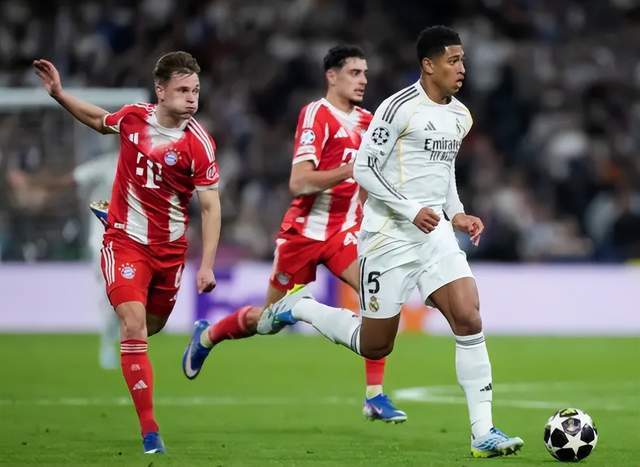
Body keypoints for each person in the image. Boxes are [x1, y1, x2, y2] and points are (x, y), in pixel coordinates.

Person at [257, 26, 524, 458]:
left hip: (434, 234)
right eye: (453, 60)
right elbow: (364, 169)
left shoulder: (461, 116)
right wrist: (410, 209)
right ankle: (300, 307)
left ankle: (483, 433)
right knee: (376, 344)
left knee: (469, 317)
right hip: (388, 237)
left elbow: (443, 172)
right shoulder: (397, 108)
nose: (462, 68)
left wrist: (456, 212)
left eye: (462, 60)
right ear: (429, 65)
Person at [182, 45, 407, 422]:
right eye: (354, 72)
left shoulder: (370, 122)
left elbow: (371, 181)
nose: (363, 80)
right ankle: (207, 336)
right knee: (267, 321)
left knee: (378, 295)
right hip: (302, 236)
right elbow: (299, 182)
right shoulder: (316, 115)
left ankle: (374, 396)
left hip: (344, 233)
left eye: (365, 73)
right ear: (331, 76)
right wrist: (350, 169)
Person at [33, 51, 221, 454]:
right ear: (161, 90)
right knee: (132, 325)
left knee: (149, 326)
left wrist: (206, 265)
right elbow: (99, 120)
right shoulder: (135, 117)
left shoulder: (199, 143)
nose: (192, 98)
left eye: (196, 91)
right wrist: (59, 95)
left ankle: (196, 338)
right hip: (125, 241)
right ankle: (150, 432)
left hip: (169, 250)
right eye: (183, 90)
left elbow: (210, 207)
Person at [9, 153, 120, 370]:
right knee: (109, 293)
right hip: (104, 241)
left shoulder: (146, 165)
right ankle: (108, 344)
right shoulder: (106, 165)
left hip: (134, 241)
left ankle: (120, 336)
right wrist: (31, 181)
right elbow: (67, 181)